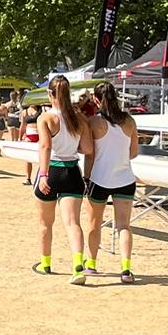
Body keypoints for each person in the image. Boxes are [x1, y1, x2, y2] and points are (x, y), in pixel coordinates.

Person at [33, 74, 95, 284]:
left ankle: (45, 262)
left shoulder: (46, 118)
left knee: (45, 223)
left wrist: (43, 175)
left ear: (50, 94)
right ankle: (78, 265)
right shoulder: (79, 118)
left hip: (52, 170)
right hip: (72, 171)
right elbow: (87, 149)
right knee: (72, 223)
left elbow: (45, 146)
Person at [84, 81, 140, 284]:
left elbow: (89, 155)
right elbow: (133, 153)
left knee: (94, 223)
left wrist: (86, 178)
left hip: (99, 177)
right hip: (124, 177)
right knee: (124, 225)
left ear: (97, 100)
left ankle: (91, 263)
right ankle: (126, 269)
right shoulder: (130, 121)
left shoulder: (94, 122)